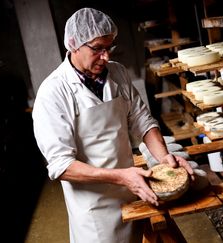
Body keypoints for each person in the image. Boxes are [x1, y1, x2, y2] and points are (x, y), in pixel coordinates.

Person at [32, 7, 194, 243]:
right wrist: (122, 177)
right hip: (94, 208)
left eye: (109, 48)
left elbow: (143, 121)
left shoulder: (117, 72)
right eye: (98, 49)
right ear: (74, 44)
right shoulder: (53, 93)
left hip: (134, 187)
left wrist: (164, 158)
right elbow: (61, 165)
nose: (106, 57)